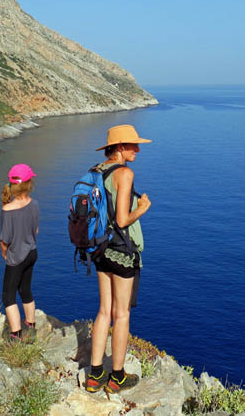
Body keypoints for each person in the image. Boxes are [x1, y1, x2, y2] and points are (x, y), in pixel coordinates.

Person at [85, 124, 152, 394]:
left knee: (103, 311)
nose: (137, 149)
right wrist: (142, 209)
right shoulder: (124, 173)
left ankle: (94, 375)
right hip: (121, 253)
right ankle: (117, 377)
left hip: (99, 250)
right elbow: (123, 219)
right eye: (133, 145)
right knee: (121, 314)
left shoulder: (96, 171)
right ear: (121, 147)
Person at [0, 163, 39, 342]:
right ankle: (30, 327)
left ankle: (15, 336)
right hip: (32, 253)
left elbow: (5, 239)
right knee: (26, 290)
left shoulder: (7, 210)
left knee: (8, 295)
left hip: (16, 257)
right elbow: (35, 230)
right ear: (29, 184)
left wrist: (5, 253)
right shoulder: (35, 204)